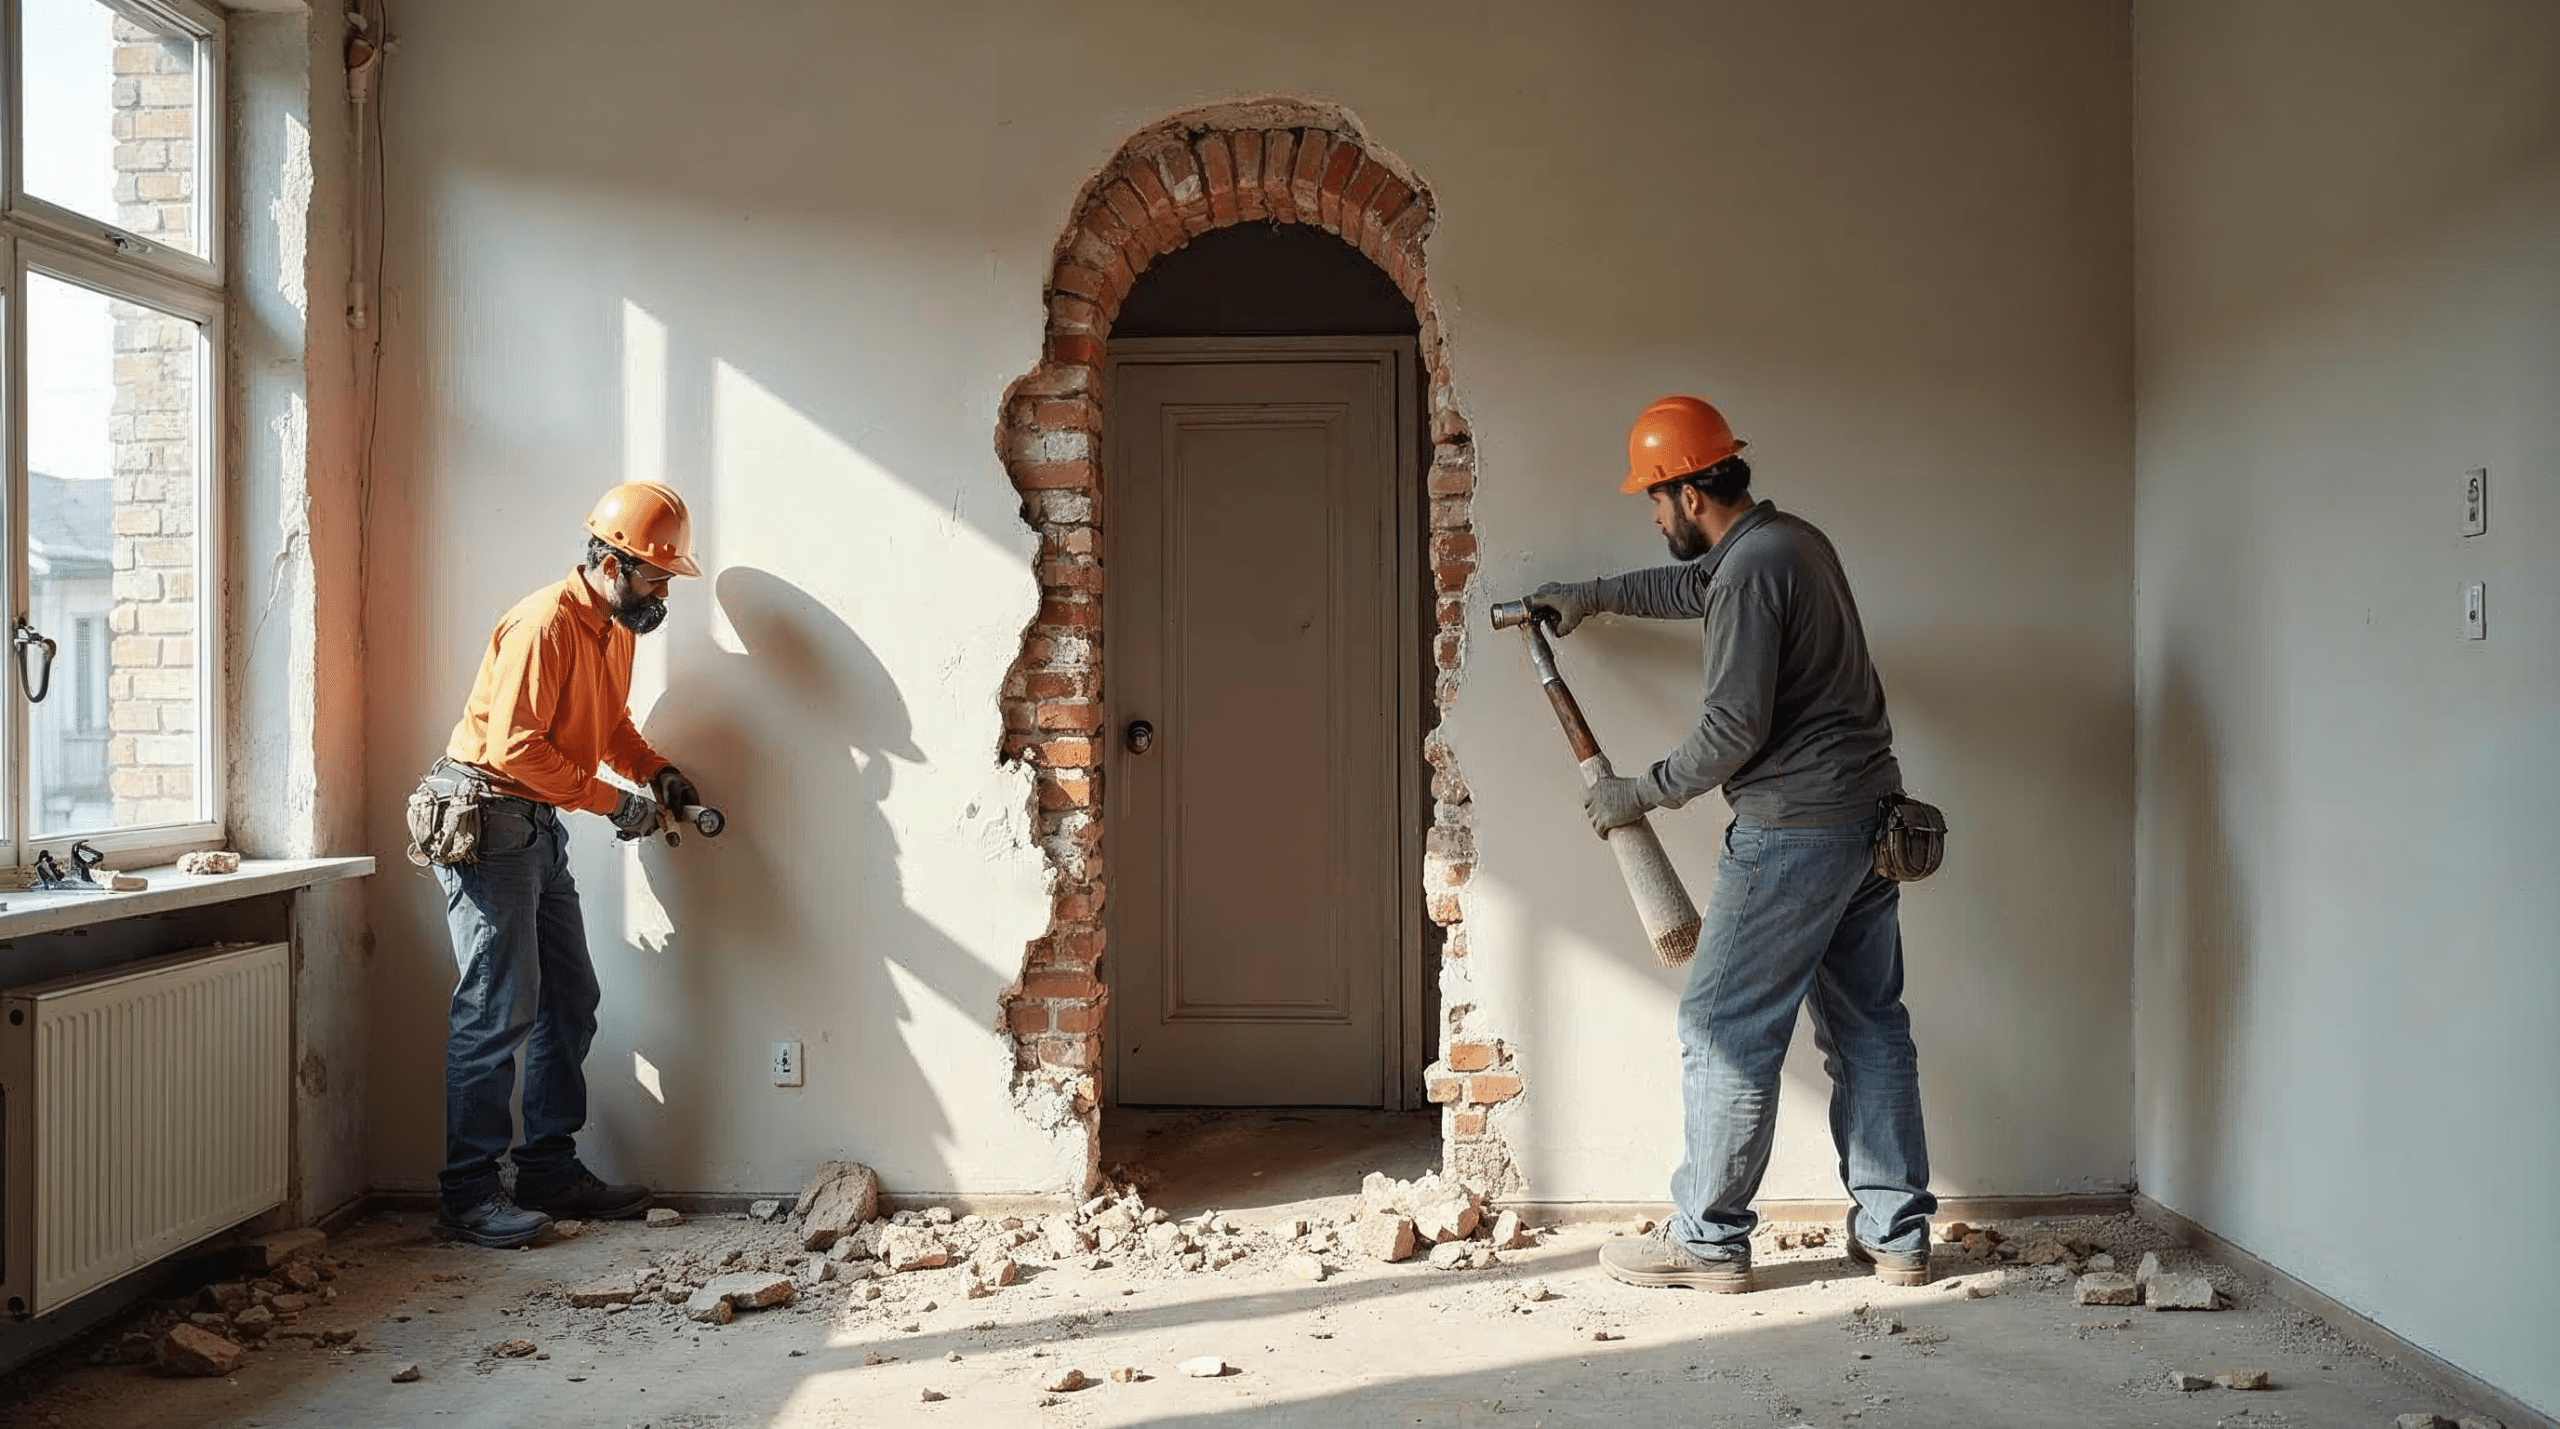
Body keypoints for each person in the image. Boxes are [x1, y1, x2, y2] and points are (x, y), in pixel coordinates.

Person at [1530, 396, 1935, 1294]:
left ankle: (1708, 1240)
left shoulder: (1754, 571)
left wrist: (1637, 791)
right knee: (1869, 1027)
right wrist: (1594, 596)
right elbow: (1693, 585)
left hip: (1796, 832)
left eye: (1654, 498)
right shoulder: (1788, 543)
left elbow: (1731, 730)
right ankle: (1897, 1233)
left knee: (1720, 1028)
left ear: (1685, 489)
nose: (1652, 513)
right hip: (1868, 817)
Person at [419, 482, 706, 1248]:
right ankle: (470, 1194)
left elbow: (608, 725)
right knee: (496, 1005)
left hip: (534, 824)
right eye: (655, 577)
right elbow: (516, 747)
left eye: (669, 579)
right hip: (487, 815)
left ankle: (547, 1168)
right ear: (611, 563)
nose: (663, 593)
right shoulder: (545, 622)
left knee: (569, 996)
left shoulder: (615, 628)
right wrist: (614, 806)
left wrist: (656, 772)